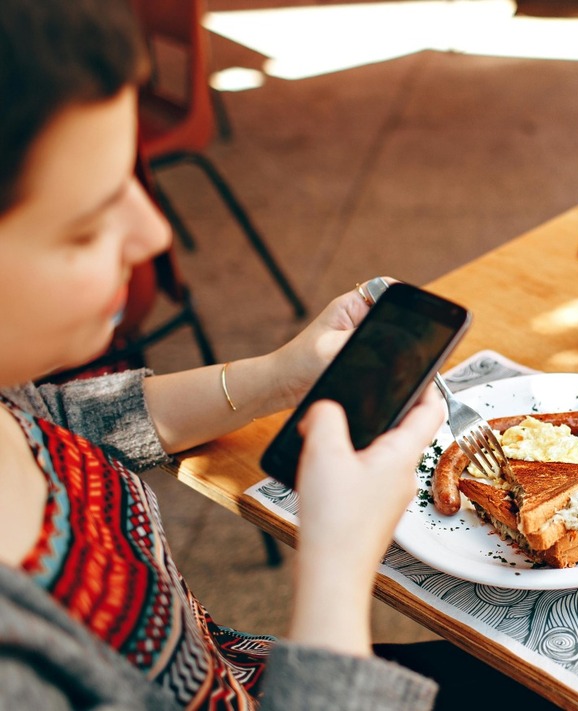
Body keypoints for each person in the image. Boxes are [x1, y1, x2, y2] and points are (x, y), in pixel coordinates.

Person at [0, 1, 487, 708]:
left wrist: (280, 374)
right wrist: (336, 568)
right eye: (86, 226)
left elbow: (64, 421)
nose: (154, 233)